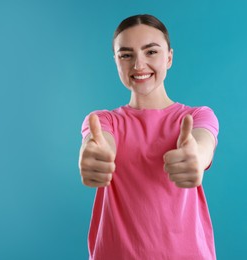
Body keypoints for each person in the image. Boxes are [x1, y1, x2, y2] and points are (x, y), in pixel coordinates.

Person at [79, 14, 219, 259]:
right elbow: (100, 143)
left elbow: (202, 144)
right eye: (126, 55)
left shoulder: (197, 116)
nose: (138, 65)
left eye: (151, 52)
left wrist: (195, 157)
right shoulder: (103, 121)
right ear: (116, 61)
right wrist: (94, 155)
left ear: (169, 58)